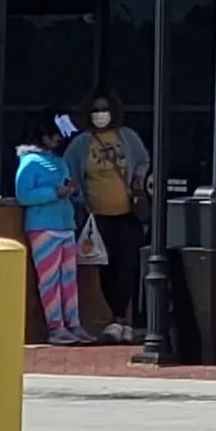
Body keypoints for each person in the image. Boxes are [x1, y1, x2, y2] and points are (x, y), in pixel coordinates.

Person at [64, 92, 151, 345]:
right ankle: (116, 319)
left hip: (128, 214)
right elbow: (70, 173)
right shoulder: (81, 144)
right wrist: (81, 200)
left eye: (104, 109)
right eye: (95, 110)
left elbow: (144, 162)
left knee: (128, 267)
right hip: (98, 217)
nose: (100, 115)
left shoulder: (128, 137)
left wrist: (138, 183)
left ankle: (123, 319)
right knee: (106, 268)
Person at [14, 117, 94, 346]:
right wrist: (54, 192)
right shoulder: (29, 162)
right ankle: (56, 327)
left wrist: (71, 191)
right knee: (49, 280)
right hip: (43, 227)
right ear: (43, 136)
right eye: (54, 134)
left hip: (65, 224)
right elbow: (24, 194)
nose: (58, 139)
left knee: (69, 279)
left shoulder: (58, 161)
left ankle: (74, 323)